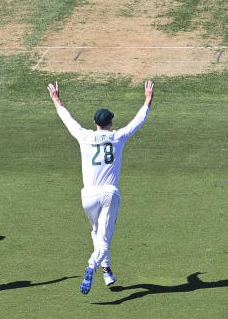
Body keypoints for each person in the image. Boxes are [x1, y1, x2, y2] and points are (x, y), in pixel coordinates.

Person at [47, 79, 154, 294]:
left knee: (97, 232)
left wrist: (57, 100)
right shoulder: (117, 137)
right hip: (109, 195)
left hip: (87, 197)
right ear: (110, 124)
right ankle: (91, 266)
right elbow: (137, 121)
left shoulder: (85, 136)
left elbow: (68, 120)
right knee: (104, 239)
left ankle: (106, 272)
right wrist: (148, 99)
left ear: (95, 123)